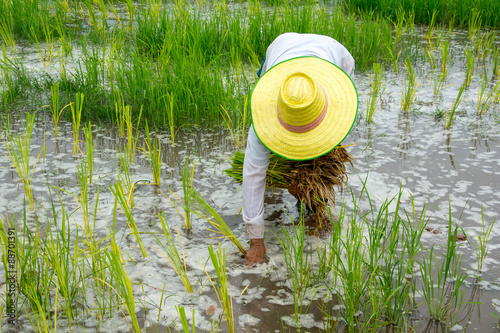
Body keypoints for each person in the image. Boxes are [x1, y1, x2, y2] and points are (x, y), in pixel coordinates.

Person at [242, 33, 358, 267]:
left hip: (333, 55)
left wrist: (311, 192)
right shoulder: (261, 128)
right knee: (267, 163)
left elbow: (333, 163)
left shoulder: (339, 106)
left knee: (324, 158)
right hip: (281, 48)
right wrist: (256, 240)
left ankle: (313, 203)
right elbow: (253, 174)